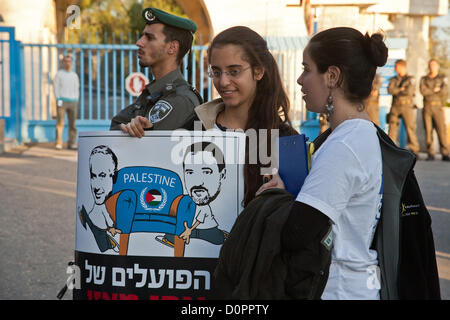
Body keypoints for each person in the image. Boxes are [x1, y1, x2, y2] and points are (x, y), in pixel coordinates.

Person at [257, 27, 388, 299]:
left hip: (339, 289)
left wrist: (277, 197)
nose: (299, 79)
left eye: (307, 69)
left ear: (332, 76)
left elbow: (298, 231)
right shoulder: (354, 135)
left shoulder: (345, 145)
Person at [190, 26, 298, 206]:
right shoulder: (193, 128)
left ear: (258, 71)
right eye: (216, 72)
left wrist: (282, 197)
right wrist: (139, 135)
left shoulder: (286, 141)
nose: (223, 82)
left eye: (234, 71)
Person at [110, 7, 202, 134]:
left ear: (172, 47)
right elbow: (115, 127)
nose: (139, 42)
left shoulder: (180, 99)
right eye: (142, 36)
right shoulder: (154, 91)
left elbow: (146, 146)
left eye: (149, 37)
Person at [78, 145, 121, 252]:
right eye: (93, 176)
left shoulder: (115, 212)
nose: (96, 186)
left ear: (114, 176)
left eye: (102, 176)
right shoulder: (85, 216)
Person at [419, 59, 450, 161]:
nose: (432, 67)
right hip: (427, 107)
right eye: (430, 65)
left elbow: (444, 91)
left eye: (434, 65)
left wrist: (430, 91)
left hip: (438, 107)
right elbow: (423, 91)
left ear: (438, 66)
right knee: (428, 131)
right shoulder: (424, 79)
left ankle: (445, 153)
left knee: (441, 130)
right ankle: (430, 153)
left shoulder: (442, 78)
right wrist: (435, 90)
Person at [387, 59, 419, 154]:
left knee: (410, 128)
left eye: (396, 67)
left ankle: (414, 150)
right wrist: (400, 89)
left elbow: (409, 91)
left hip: (407, 106)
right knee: (392, 128)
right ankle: (390, 150)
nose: (395, 69)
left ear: (402, 67)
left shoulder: (410, 79)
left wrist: (398, 90)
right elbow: (390, 90)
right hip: (395, 106)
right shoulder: (393, 79)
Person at [53, 55, 79, 150]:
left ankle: (71, 143)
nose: (67, 63)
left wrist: (76, 99)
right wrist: (58, 99)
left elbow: (76, 88)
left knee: (73, 124)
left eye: (69, 61)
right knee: (60, 123)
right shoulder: (59, 74)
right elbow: (56, 87)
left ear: (72, 63)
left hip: (73, 102)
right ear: (63, 63)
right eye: (66, 61)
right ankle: (58, 143)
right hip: (62, 101)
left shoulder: (74, 75)